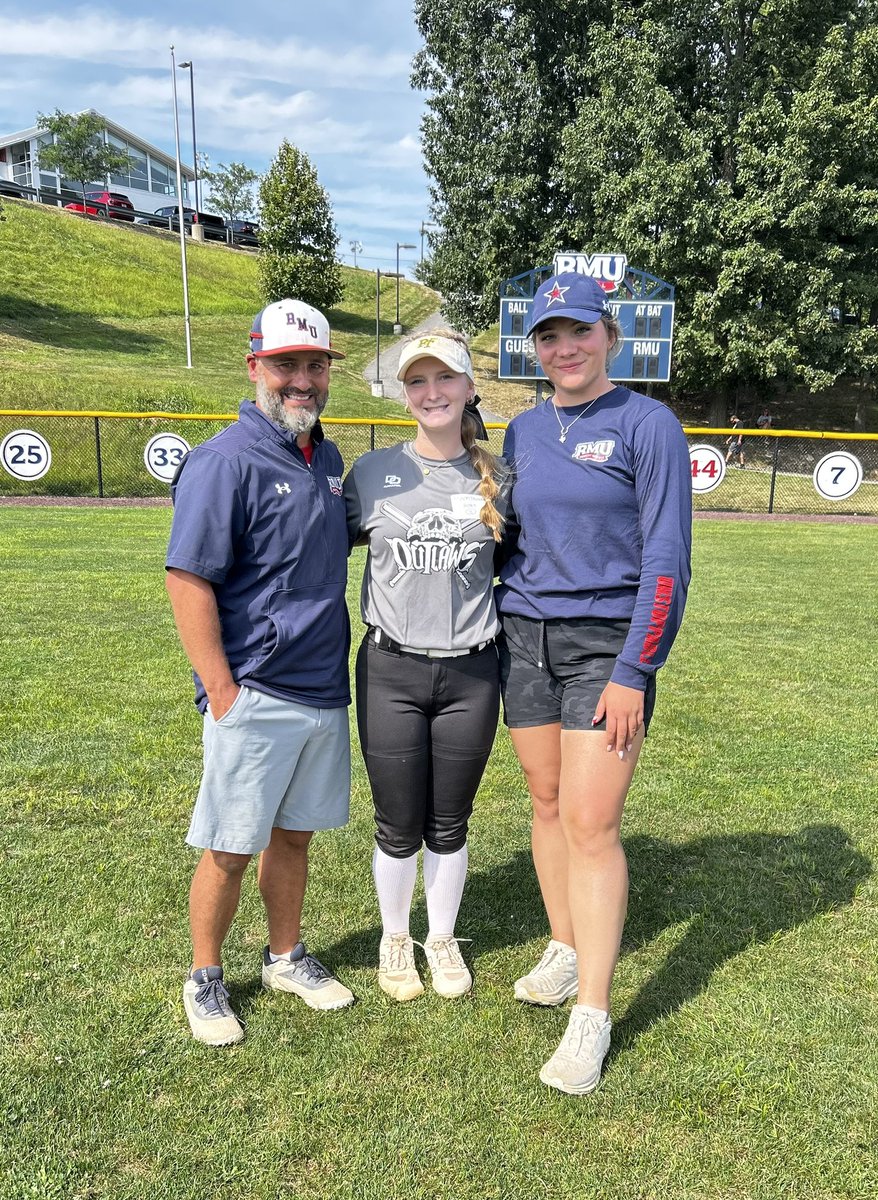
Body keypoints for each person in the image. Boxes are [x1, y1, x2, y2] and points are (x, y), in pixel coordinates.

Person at [496, 272, 692, 1094]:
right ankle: (567, 949)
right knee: (545, 802)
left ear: (610, 334)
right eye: (548, 336)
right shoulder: (518, 431)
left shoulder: (649, 424)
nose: (564, 349)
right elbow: (506, 538)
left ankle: (595, 1017)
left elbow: (667, 561)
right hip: (523, 638)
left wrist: (634, 670)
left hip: (604, 647)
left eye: (578, 332)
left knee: (591, 822)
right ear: (533, 346)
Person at [166, 298, 355, 1047]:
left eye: (314, 366)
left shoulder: (328, 460)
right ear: (255, 368)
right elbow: (188, 580)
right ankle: (204, 977)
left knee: (295, 838)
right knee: (230, 844)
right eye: (286, 366)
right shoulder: (225, 460)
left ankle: (285, 956)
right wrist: (222, 692)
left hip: (323, 690)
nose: (301, 381)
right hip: (256, 691)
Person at [344, 331, 508, 1002]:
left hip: (472, 673)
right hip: (391, 670)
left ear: (470, 389)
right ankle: (394, 937)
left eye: (446, 379)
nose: (432, 392)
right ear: (405, 393)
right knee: (396, 821)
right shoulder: (372, 475)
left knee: (450, 820)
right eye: (418, 381)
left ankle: (440, 939)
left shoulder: (501, 478)